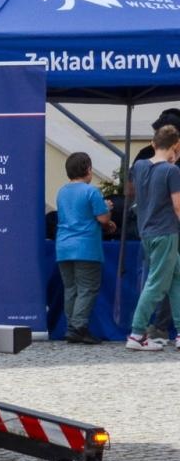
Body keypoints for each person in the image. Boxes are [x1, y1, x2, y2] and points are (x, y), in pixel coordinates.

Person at [125, 125, 180, 351]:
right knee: (156, 284)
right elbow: (177, 205)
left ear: (152, 143)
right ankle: (137, 333)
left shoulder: (139, 166)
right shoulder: (172, 171)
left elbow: (132, 190)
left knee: (176, 279)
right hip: (166, 232)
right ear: (176, 146)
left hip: (146, 231)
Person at [55, 152, 114, 344]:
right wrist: (107, 208)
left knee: (70, 288)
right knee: (87, 288)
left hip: (63, 246)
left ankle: (72, 326)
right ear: (88, 169)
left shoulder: (62, 191)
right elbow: (103, 219)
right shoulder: (91, 192)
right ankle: (78, 327)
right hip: (86, 247)